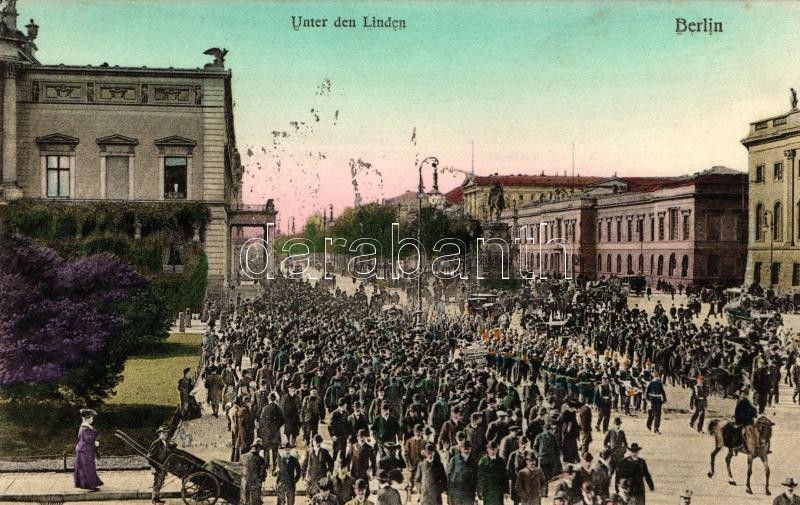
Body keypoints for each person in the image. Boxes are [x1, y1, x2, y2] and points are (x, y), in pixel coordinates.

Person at [74, 409, 103, 492]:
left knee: (85, 467)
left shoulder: (84, 426)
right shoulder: (86, 428)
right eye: (92, 418)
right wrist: (95, 443)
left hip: (83, 449)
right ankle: (90, 485)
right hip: (85, 450)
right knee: (87, 467)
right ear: (88, 418)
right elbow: (88, 440)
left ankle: (87, 484)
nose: (92, 420)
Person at [147, 425, 173, 504]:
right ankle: (154, 500)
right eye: (163, 433)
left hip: (163, 466)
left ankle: (157, 499)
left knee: (161, 482)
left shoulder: (166, 443)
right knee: (157, 483)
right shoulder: (156, 443)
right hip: (157, 467)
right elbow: (150, 457)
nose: (165, 434)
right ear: (159, 434)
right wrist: (157, 466)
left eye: (166, 433)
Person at [303, 434, 335, 498]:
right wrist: (304, 476)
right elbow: (305, 464)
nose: (317, 444)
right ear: (313, 442)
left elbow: (331, 462)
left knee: (322, 494)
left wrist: (329, 470)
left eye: (318, 442)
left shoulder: (324, 452)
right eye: (315, 442)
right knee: (312, 494)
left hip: (322, 475)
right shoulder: (309, 452)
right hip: (312, 476)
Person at [447, 441, 478, 505]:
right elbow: (449, 476)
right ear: (460, 449)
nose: (466, 451)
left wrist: (475, 492)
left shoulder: (473, 461)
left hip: (469, 494)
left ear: (471, 449)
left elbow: (476, 477)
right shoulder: (454, 460)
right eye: (464, 448)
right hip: (457, 493)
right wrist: (449, 493)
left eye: (468, 449)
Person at [478, 441, 508, 505]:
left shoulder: (500, 461)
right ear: (487, 449)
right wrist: (480, 491)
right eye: (491, 449)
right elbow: (479, 477)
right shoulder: (483, 461)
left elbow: (504, 476)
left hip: (498, 490)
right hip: (488, 489)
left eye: (494, 449)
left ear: (497, 449)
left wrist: (506, 491)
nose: (492, 451)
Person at [241, 438, 267, 505]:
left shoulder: (243, 456)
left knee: (245, 501)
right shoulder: (261, 459)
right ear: (258, 448)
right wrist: (263, 477)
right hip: (255, 484)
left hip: (244, 483)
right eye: (260, 448)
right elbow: (263, 474)